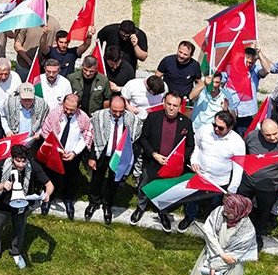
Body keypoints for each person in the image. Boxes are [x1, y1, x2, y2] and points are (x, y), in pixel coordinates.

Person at [0, 144, 53, 271]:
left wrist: (47, 194)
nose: (21, 165)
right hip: (2, 205)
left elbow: (49, 184)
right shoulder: (0, 166)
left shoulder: (32, 166)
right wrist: (2, 186)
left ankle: (16, 252)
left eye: (23, 161)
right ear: (12, 158)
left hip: (21, 205)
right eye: (18, 161)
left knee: (19, 229)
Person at [132, 92, 195, 229]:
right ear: (164, 103)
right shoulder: (153, 117)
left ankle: (163, 212)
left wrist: (178, 158)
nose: (171, 108)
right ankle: (140, 208)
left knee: (166, 190)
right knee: (144, 186)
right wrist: (154, 154)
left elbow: (190, 145)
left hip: (171, 166)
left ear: (180, 107)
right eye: (169, 104)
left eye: (175, 105)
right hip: (152, 161)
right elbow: (143, 138)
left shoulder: (186, 122)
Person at [179, 194, 258, 275]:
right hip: (211, 254)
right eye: (225, 210)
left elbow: (233, 257)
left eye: (229, 213)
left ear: (239, 212)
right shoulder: (219, 212)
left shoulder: (247, 231)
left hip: (228, 267)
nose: (224, 213)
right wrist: (220, 255)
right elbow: (210, 234)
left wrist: (216, 266)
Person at [235, 120, 278, 248]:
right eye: (268, 135)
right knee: (240, 206)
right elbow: (243, 153)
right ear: (261, 133)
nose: (273, 137)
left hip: (270, 185)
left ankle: (258, 235)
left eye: (275, 133)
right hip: (248, 181)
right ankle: (236, 230)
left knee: (264, 212)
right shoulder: (251, 137)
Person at [86, 95, 140, 224]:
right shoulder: (99, 116)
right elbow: (93, 137)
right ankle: (93, 202)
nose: (117, 114)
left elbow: (135, 137)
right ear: (109, 106)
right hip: (103, 151)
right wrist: (92, 157)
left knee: (114, 181)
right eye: (114, 111)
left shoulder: (131, 119)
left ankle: (107, 205)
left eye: (121, 111)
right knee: (97, 178)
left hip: (119, 154)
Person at [38, 93, 93, 219]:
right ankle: (48, 198)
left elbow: (85, 137)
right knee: (50, 176)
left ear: (78, 107)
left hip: (72, 155)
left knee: (71, 178)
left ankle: (68, 200)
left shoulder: (83, 118)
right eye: (66, 108)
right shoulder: (54, 113)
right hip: (54, 151)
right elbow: (46, 131)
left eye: (71, 110)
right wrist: (56, 148)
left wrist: (74, 153)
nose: (68, 111)